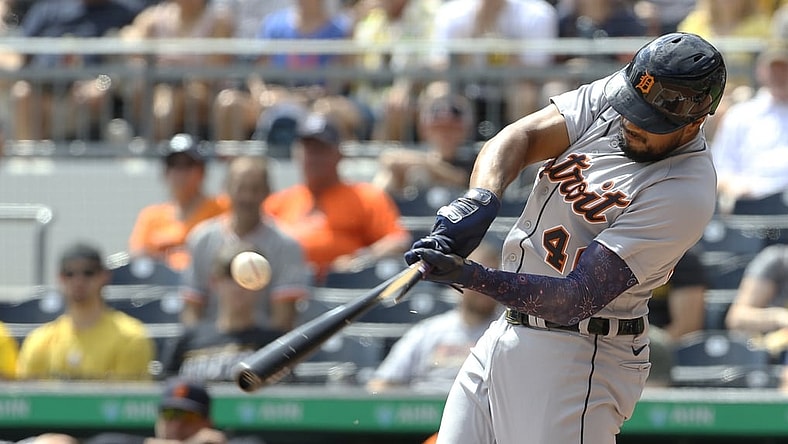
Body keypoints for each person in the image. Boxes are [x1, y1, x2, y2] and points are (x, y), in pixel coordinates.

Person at [403, 31, 727, 443]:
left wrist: (472, 277)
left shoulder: (685, 189)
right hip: (508, 330)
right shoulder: (624, 94)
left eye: (649, 122)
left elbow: (575, 299)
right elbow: (520, 137)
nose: (631, 123)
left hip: (582, 352)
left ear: (695, 121)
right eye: (631, 109)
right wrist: (479, 198)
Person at [263, 113, 412, 282]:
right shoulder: (280, 201)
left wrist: (359, 260)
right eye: (307, 149)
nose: (312, 157)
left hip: (347, 290)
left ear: (338, 154)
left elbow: (398, 240)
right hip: (287, 289)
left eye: (320, 150)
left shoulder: (365, 196)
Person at [181, 156, 310, 331]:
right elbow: (192, 308)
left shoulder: (286, 245)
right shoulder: (201, 239)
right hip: (210, 347)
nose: (247, 197)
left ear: (267, 191)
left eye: (255, 189)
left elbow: (283, 320)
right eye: (241, 187)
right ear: (226, 189)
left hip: (264, 347)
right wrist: (201, 346)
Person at [366, 241, 502, 393]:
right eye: (480, 280)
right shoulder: (429, 331)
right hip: (426, 409)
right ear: (461, 281)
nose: (486, 287)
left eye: (494, 281)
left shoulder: (506, 335)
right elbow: (381, 383)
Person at [3, 0, 144, 141]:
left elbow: (132, 58)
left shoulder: (125, 12)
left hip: (88, 94)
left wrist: (103, 82)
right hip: (44, 90)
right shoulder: (47, 9)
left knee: (99, 96)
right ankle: (29, 158)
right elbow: (18, 53)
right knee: (22, 92)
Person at [17, 242, 155, 380]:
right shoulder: (39, 341)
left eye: (88, 272)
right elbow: (27, 396)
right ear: (60, 278)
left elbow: (127, 398)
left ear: (104, 276)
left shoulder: (130, 337)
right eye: (69, 273)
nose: (78, 280)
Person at [161, 241, 284, 381]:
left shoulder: (274, 344)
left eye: (247, 278)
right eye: (230, 276)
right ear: (215, 281)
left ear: (260, 283)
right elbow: (166, 391)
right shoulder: (188, 341)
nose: (239, 286)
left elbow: (284, 397)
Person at [119, 0, 235, 141]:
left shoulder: (218, 19)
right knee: (144, 90)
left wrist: (175, 75)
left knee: (169, 103)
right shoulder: (155, 17)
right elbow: (129, 39)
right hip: (162, 87)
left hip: (204, 91)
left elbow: (211, 72)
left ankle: (150, 148)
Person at [128, 133, 228, 272]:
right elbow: (139, 255)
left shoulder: (222, 208)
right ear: (165, 173)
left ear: (202, 171)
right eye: (174, 165)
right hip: (160, 287)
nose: (180, 173)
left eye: (188, 165)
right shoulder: (151, 216)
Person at [711, 41, 788, 214]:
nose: (779, 75)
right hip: (752, 206)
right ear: (761, 72)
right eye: (773, 68)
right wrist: (733, 185)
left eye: (784, 68)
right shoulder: (741, 115)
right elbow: (719, 169)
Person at [373, 84, 476, 197]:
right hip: (411, 208)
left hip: (456, 210)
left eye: (452, 129)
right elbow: (389, 160)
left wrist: (428, 165)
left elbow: (461, 179)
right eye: (439, 129)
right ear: (424, 130)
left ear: (465, 131)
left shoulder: (470, 161)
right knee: (390, 176)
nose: (445, 135)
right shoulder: (420, 155)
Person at [646, 248, 708, 386]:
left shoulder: (681, 258)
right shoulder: (606, 258)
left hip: (661, 348)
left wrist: (637, 348)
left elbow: (686, 327)